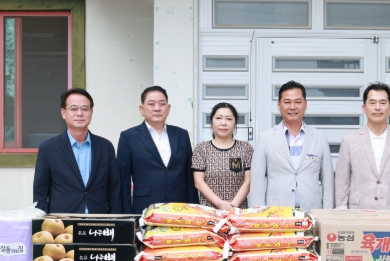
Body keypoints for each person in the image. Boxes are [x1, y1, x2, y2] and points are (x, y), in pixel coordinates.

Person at [33, 88, 121, 214]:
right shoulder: (48, 148)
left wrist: (115, 220)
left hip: (98, 219)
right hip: (62, 221)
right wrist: (42, 221)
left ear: (91, 113)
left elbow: (114, 188)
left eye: (85, 109)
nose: (79, 113)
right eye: (73, 108)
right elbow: (40, 192)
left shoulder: (105, 147)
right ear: (63, 113)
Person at [250, 81, 334, 211]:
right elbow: (257, 183)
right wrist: (258, 215)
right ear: (279, 105)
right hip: (277, 213)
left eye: (298, 102)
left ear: (305, 105)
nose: (292, 107)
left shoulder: (319, 138)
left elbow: (328, 182)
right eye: (287, 102)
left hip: (312, 212)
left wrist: (327, 214)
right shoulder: (265, 138)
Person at [335, 82, 390, 217]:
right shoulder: (349, 141)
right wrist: (341, 210)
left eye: (382, 103)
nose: (377, 107)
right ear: (364, 108)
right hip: (358, 213)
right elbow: (342, 181)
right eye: (372, 103)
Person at [117, 86, 198, 214]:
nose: (157, 108)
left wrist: (194, 210)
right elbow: (123, 181)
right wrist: (128, 216)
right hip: (145, 208)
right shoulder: (128, 137)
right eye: (151, 104)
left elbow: (189, 178)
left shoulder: (181, 135)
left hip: (180, 208)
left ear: (168, 108)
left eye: (162, 104)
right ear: (141, 109)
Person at [192, 103, 254, 210]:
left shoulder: (245, 148)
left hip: (238, 211)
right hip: (209, 211)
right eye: (218, 118)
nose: (223, 123)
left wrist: (233, 206)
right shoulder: (201, 149)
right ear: (211, 121)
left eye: (229, 119)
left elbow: (248, 181)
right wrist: (220, 204)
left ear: (235, 122)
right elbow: (199, 182)